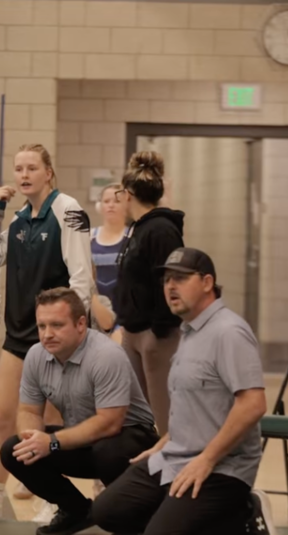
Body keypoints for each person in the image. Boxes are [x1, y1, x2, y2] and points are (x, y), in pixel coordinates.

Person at [92, 248, 276, 535]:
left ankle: (244, 514)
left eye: (180, 278)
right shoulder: (188, 331)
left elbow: (253, 404)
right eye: (166, 279)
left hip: (222, 466)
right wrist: (165, 442)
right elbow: (194, 405)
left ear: (207, 282)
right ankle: (181, 511)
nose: (170, 286)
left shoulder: (229, 332)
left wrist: (206, 459)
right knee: (108, 513)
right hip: (176, 456)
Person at [0, 143, 94, 521]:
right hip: (19, 332)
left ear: (48, 172)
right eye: (19, 169)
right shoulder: (17, 219)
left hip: (55, 337)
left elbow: (81, 276)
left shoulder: (68, 210)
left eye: (32, 168)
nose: (24, 175)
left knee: (48, 423)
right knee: (4, 416)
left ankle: (52, 500)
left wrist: (75, 333)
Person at [0, 288, 157, 535]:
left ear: (81, 324)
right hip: (83, 440)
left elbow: (109, 423)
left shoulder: (106, 355)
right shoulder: (36, 356)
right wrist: (31, 439)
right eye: (42, 326)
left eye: (57, 325)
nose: (47, 334)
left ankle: (134, 516)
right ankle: (76, 511)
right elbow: (29, 410)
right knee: (13, 450)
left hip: (130, 442)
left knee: (107, 449)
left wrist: (50, 442)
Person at [113, 151, 184, 435]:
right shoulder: (138, 229)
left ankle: (173, 474)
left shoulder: (161, 230)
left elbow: (172, 283)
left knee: (163, 416)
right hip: (133, 331)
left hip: (155, 336)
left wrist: (159, 331)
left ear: (128, 195)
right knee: (129, 414)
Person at [91, 184, 128, 338]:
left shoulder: (133, 236)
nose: (111, 205)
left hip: (125, 314)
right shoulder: (89, 237)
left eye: (117, 201)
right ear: (100, 206)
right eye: (106, 201)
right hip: (96, 310)